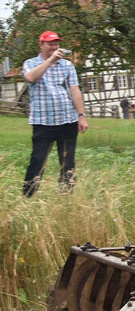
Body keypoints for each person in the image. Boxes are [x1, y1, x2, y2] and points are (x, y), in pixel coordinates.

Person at [21, 30, 89, 197]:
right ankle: (28, 196)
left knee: (67, 161)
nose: (54, 46)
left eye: (56, 43)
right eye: (50, 43)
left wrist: (81, 115)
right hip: (43, 122)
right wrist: (51, 61)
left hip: (67, 120)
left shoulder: (67, 65)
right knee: (38, 160)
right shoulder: (30, 63)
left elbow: (74, 91)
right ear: (41, 44)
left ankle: (66, 195)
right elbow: (31, 78)